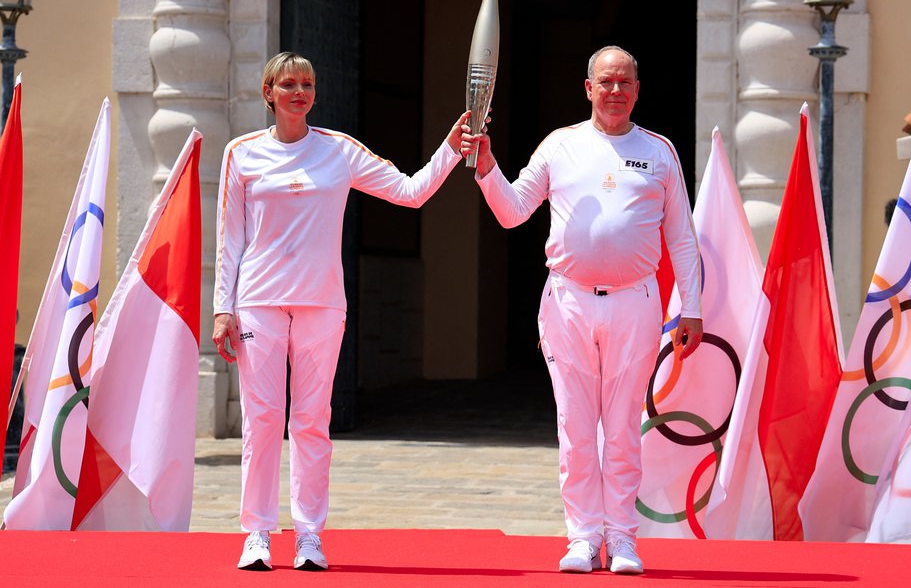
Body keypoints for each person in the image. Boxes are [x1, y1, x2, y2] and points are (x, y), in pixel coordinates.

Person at [213, 52, 469, 571]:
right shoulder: (242, 154)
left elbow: (409, 192)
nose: (299, 92)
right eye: (288, 84)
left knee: (311, 422)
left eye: (307, 83)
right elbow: (230, 238)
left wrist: (450, 148)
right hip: (259, 302)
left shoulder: (339, 152)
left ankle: (309, 534)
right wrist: (223, 308)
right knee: (262, 421)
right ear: (269, 92)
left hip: (321, 305)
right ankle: (257, 534)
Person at [460, 46, 703, 574]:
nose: (615, 91)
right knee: (574, 426)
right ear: (588, 88)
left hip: (635, 302)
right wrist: (485, 167)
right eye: (606, 82)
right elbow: (513, 211)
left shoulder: (658, 152)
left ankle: (622, 539)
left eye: (625, 82)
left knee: (620, 429)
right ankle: (581, 536)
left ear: (637, 90)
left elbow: (682, 237)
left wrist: (693, 307)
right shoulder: (561, 146)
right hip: (567, 301)